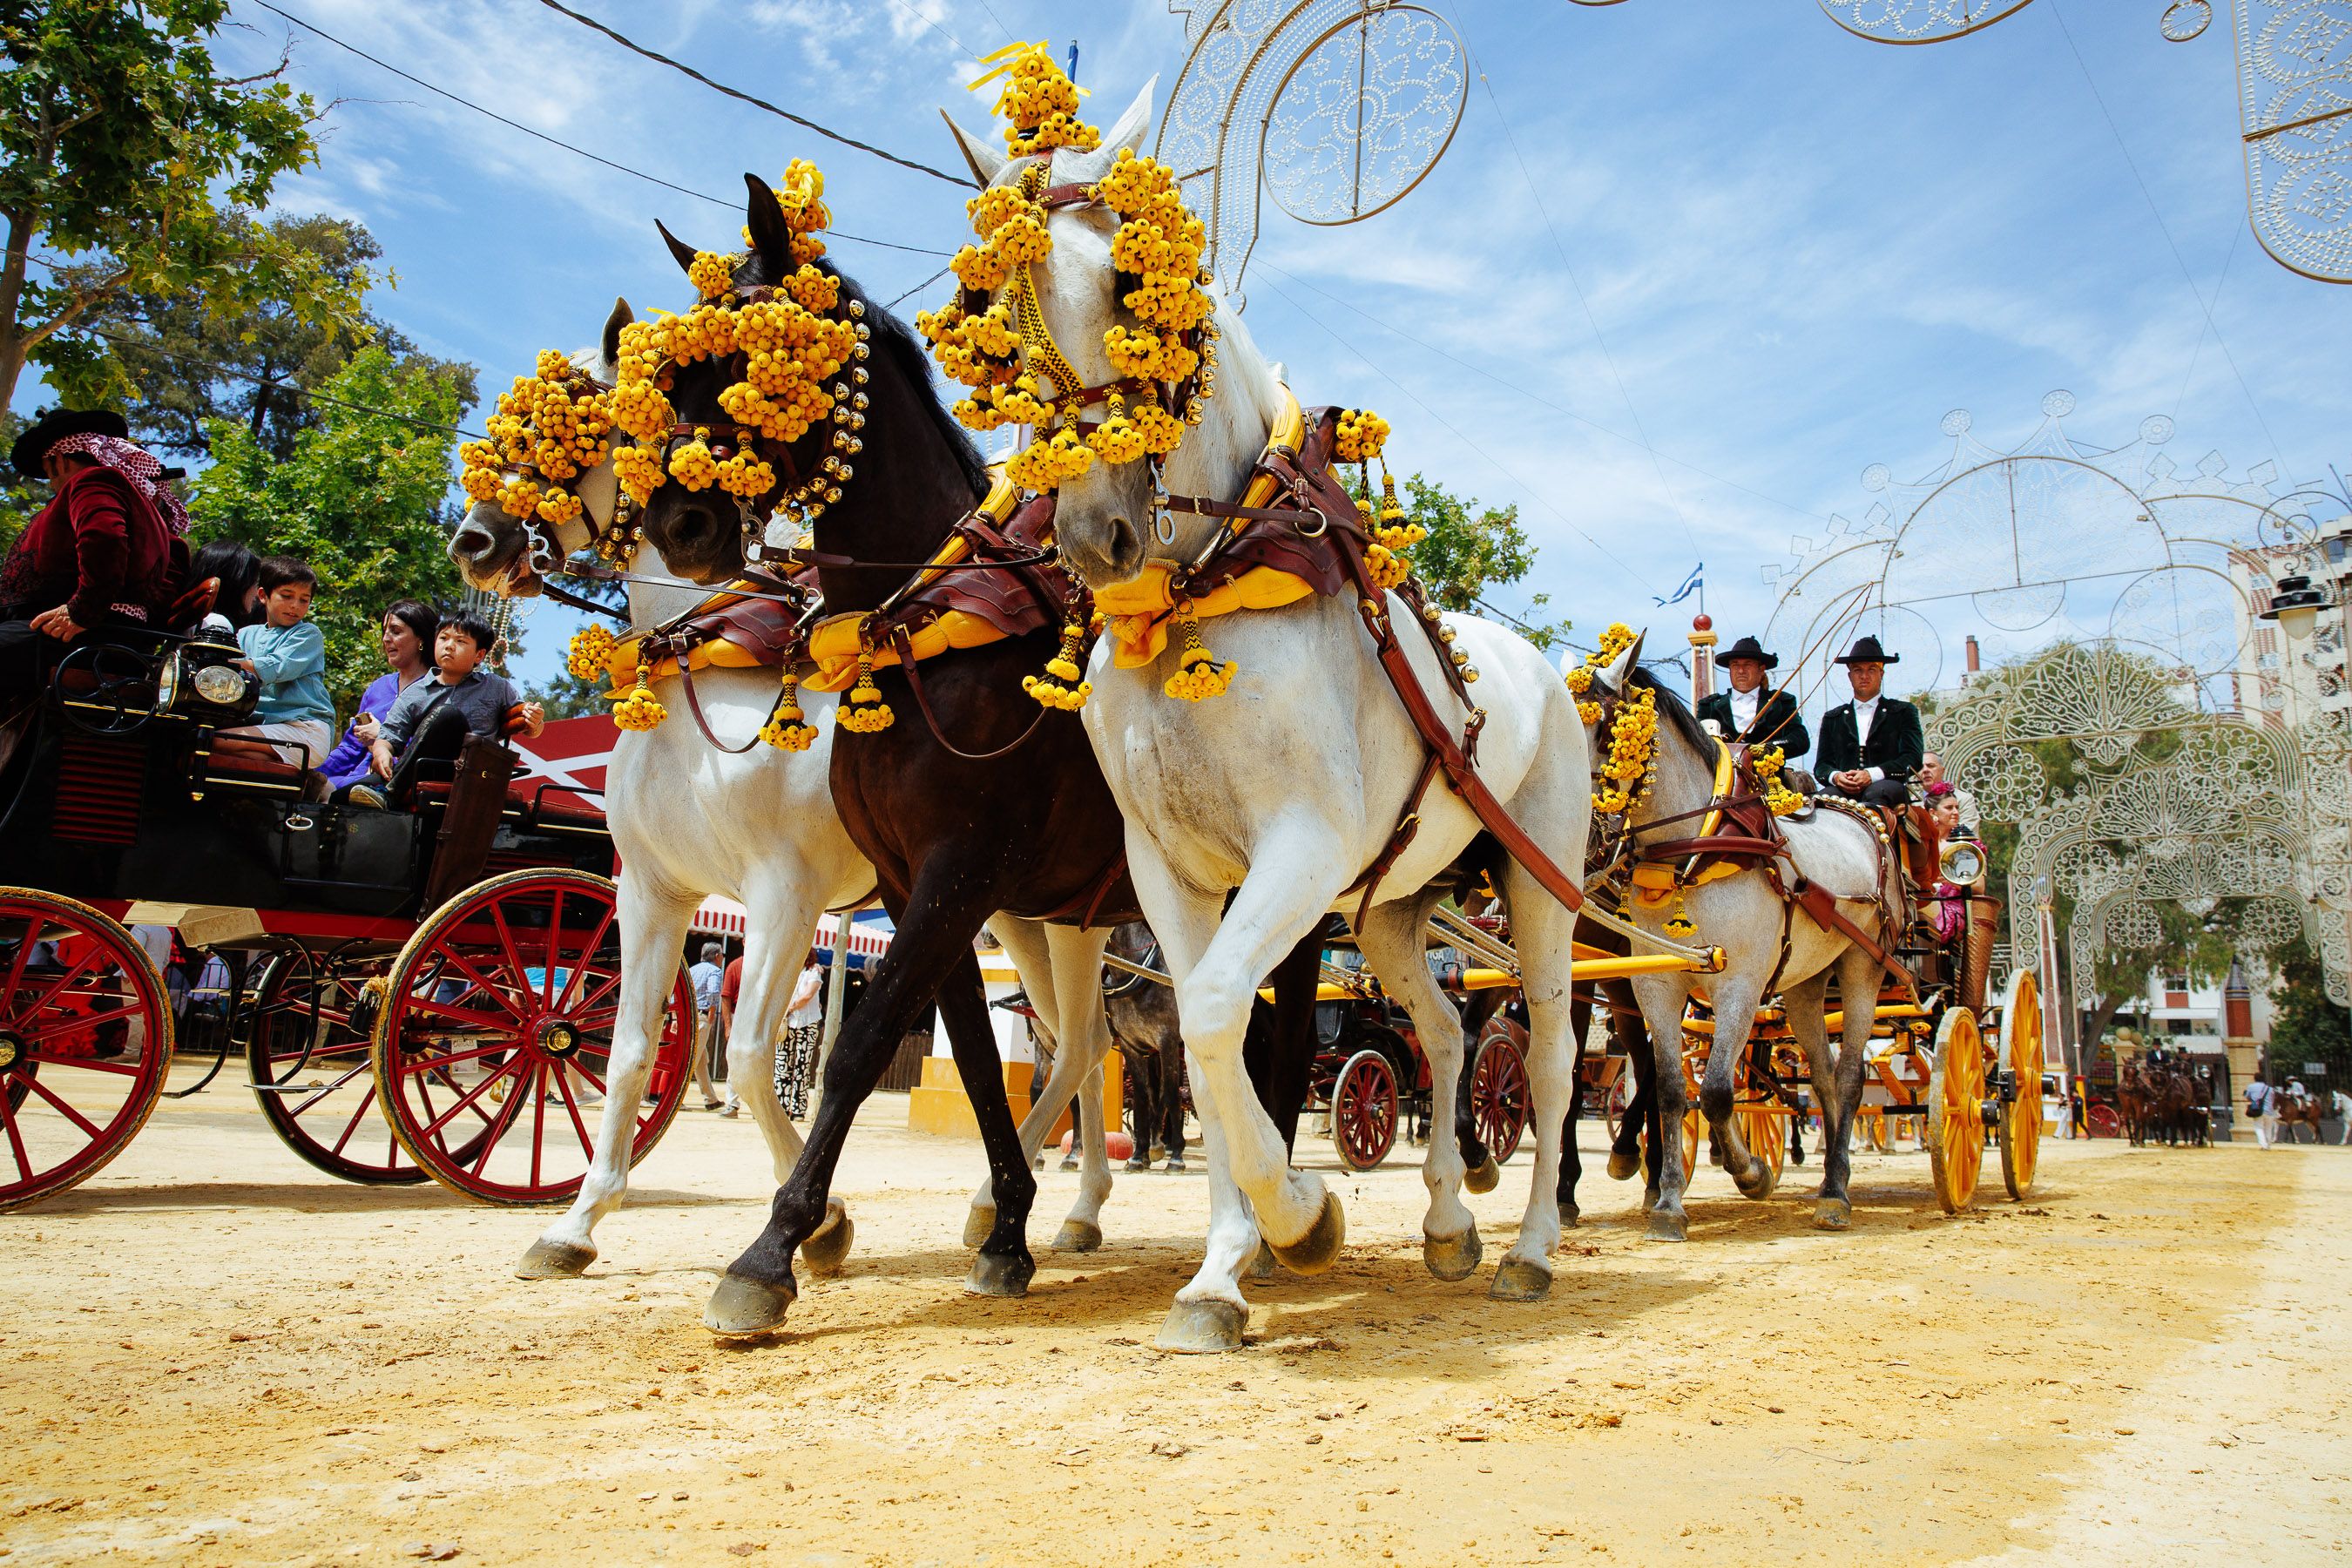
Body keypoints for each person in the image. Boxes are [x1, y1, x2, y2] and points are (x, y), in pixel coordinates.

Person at [1, 409, 185, 714]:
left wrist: (81, 612)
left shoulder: (91, 480)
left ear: (58, 460)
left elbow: (105, 538)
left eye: (47, 469)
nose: (50, 480)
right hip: (113, 640)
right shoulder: (145, 512)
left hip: (87, 637)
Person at [349, 611, 542, 807]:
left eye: (460, 641)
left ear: (479, 655)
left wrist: (535, 722)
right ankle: (388, 791)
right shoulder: (414, 692)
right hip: (425, 770)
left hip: (474, 773)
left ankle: (390, 793)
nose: (449, 646)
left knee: (447, 715)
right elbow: (389, 736)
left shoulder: (496, 687)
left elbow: (530, 728)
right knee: (341, 797)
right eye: (443, 638)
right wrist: (382, 752)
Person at [214, 556, 335, 767]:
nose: (295, 606)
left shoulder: (308, 634)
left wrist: (221, 662)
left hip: (303, 728)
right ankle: (310, 780)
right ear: (263, 595)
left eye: (304, 600)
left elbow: (276, 667)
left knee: (215, 741)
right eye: (287, 596)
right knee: (214, 752)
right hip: (266, 727)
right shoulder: (245, 634)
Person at [320, 600, 437, 792]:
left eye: (396, 631)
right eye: (385, 632)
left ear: (421, 639)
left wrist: (381, 738)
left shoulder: (437, 691)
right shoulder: (379, 687)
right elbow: (349, 749)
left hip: (396, 786)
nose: (386, 639)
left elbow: (426, 754)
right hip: (354, 778)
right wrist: (312, 773)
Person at [1813, 635, 1923, 808]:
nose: (1864, 676)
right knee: (1822, 800)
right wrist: (1836, 776)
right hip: (1843, 789)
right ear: (1850, 676)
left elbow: (1912, 758)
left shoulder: (1903, 712)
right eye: (1858, 670)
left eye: (1871, 669)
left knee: (1876, 794)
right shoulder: (1833, 718)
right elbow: (1822, 765)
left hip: (1888, 787)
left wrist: (1872, 774)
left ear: (1882, 673)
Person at [1695, 635, 1810, 760]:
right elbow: (1696, 741)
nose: (1740, 671)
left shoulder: (1780, 702)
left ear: (1761, 669)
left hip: (1768, 775)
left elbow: (1800, 740)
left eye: (1747, 665)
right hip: (1720, 776)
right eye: (1735, 665)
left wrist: (1768, 748)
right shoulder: (1710, 706)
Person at [781, 950, 825, 1119]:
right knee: (783, 1064)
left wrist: (790, 1007)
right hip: (789, 1022)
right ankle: (783, 1106)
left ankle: (798, 1108)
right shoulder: (791, 972)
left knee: (802, 1065)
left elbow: (807, 996)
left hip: (806, 1022)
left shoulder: (813, 972)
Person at [188, 539, 262, 633]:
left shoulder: (193, 619)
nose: (256, 594)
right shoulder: (218, 624)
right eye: (254, 583)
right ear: (237, 584)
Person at [689, 941, 727, 1112]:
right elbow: (713, 992)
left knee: (700, 1060)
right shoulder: (715, 971)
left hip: (690, 1016)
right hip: (702, 1016)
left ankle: (710, 1099)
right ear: (717, 956)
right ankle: (675, 1098)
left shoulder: (692, 970)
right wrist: (712, 1012)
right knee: (692, 1060)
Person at [1918, 753, 1979, 831]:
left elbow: (1969, 834)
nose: (1925, 770)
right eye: (1920, 767)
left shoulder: (1963, 799)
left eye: (1931, 766)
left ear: (1942, 771)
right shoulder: (1911, 801)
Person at [2247, 1073, 2278, 1148]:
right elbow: (2273, 1100)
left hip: (2257, 1110)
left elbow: (2248, 1097)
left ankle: (2264, 1145)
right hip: (2269, 1111)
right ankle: (2268, 1144)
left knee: (2258, 1127)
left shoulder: (2251, 1087)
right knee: (2268, 1128)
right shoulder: (2270, 1089)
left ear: (2255, 1079)